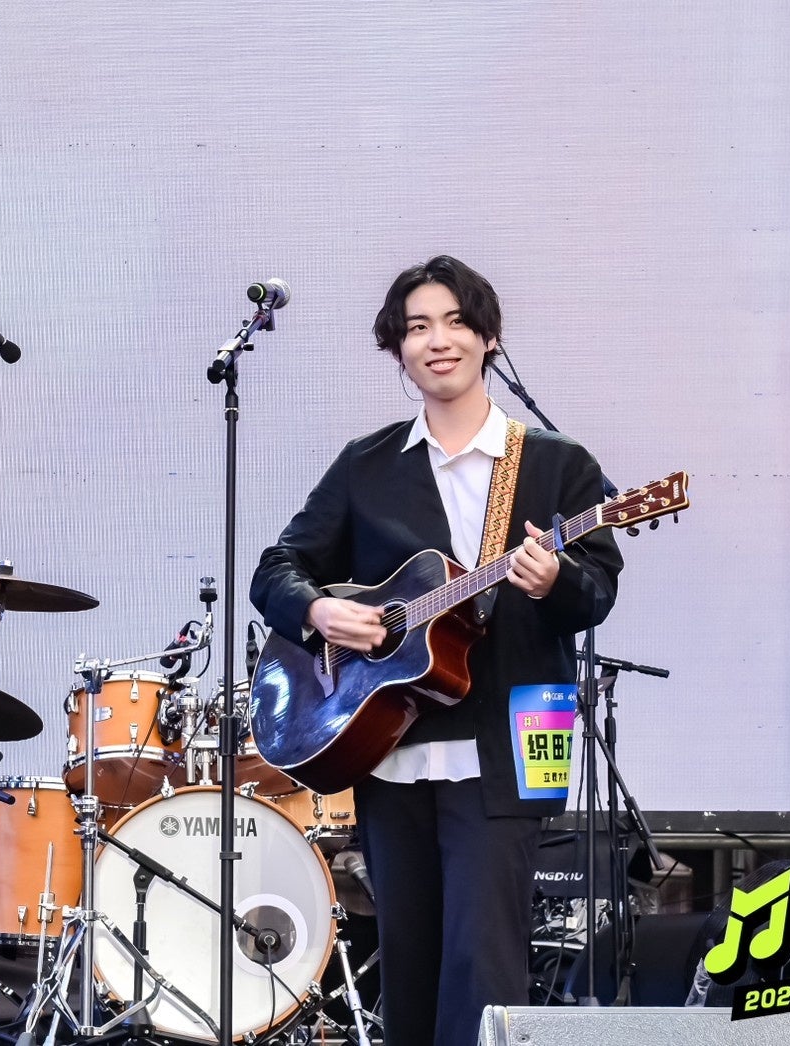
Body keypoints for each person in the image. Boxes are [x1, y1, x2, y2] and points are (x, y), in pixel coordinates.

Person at [249, 256, 623, 1046]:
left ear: (489, 337)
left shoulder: (558, 465)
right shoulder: (367, 466)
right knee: (410, 974)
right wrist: (320, 611)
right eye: (417, 327)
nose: (437, 340)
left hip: (507, 747)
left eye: (455, 322)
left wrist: (554, 578)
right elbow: (277, 569)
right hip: (388, 749)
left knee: (483, 971)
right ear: (398, 349)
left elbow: (595, 595)